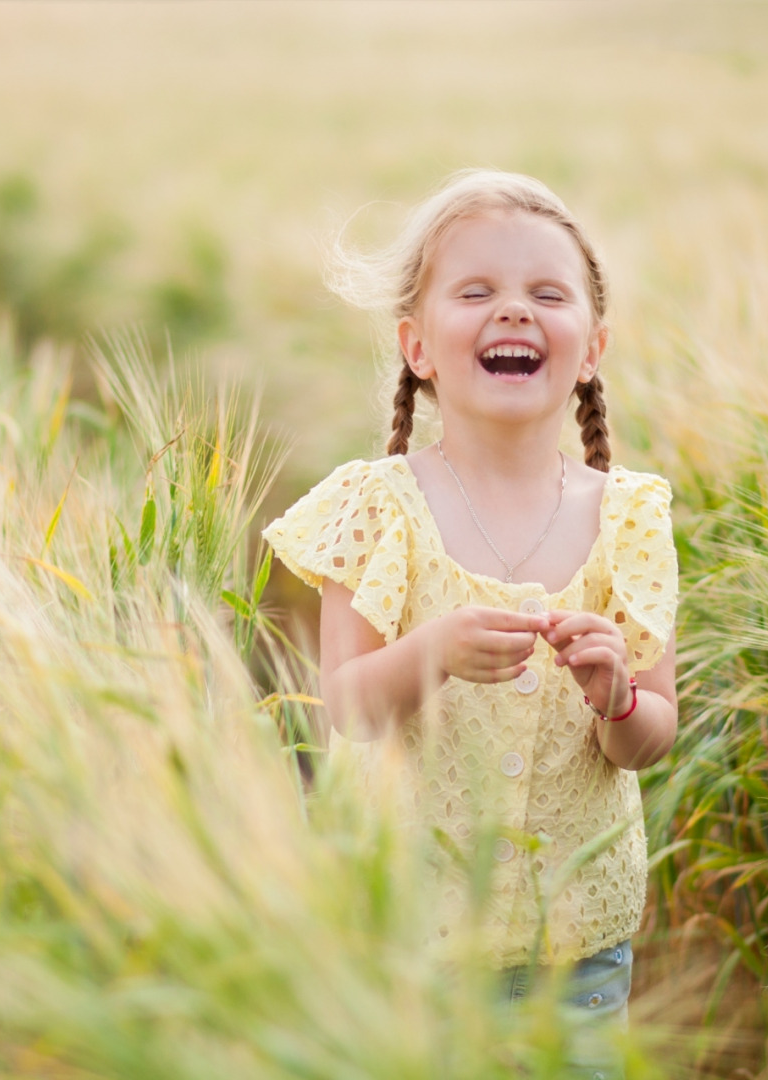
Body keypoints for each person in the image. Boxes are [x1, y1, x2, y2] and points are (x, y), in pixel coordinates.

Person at [262, 170, 678, 1078]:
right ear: (417, 346)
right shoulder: (379, 506)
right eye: (478, 292)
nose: (515, 312)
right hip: (408, 929)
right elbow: (345, 709)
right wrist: (432, 652)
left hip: (580, 938)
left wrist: (616, 694)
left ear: (594, 345)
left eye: (547, 293)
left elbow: (650, 741)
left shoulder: (631, 516)